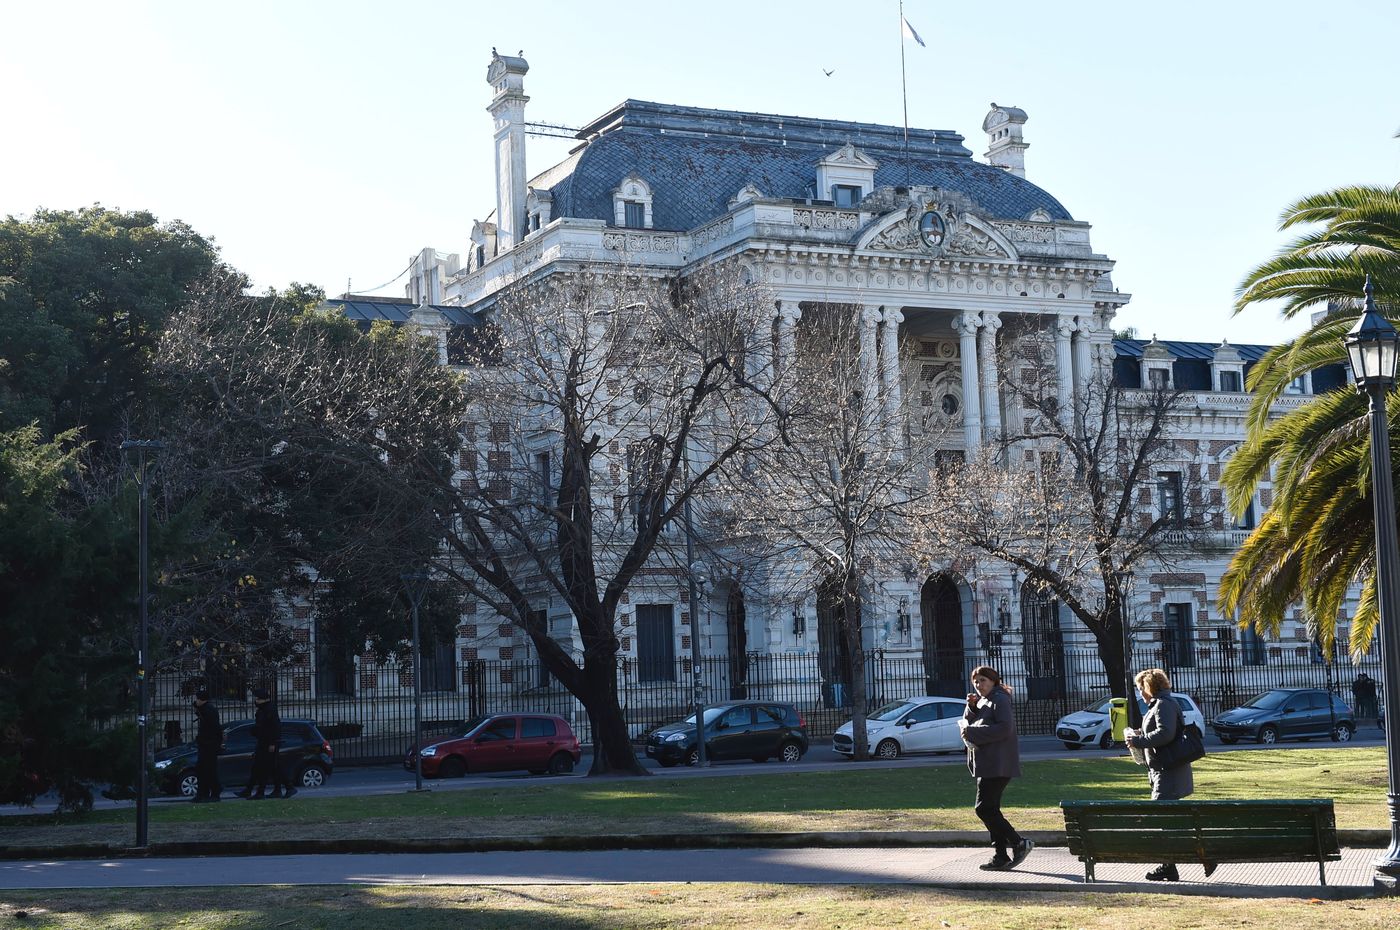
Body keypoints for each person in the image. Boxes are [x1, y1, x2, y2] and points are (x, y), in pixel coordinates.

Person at [1124, 668, 1213, 881]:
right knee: (1169, 821)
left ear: (1149, 687)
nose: (1140, 694)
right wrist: (1140, 734)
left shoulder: (1163, 705)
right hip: (1164, 770)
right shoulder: (1161, 704)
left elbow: (1166, 733)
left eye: (1140, 689)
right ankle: (1174, 864)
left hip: (1168, 771)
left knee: (1162, 819)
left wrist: (1138, 741)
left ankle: (1190, 859)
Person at [958, 664, 1034, 871]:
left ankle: (1019, 842)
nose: (978, 684)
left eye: (983, 680)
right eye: (975, 680)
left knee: (983, 808)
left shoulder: (999, 699)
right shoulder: (984, 700)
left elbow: (1004, 728)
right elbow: (973, 722)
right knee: (991, 810)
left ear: (993, 681)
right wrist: (971, 708)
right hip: (988, 762)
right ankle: (1000, 855)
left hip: (998, 763)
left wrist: (972, 733)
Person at [240, 687, 296, 800]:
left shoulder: (269, 710)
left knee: (265, 767)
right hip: (264, 741)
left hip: (268, 742)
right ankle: (279, 790)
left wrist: (272, 743)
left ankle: (263, 792)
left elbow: (274, 728)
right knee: (270, 767)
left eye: (258, 699)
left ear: (264, 700)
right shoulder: (264, 709)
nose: (256, 701)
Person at [192, 689, 223, 803]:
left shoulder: (209, 710)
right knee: (202, 769)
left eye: (197, 699)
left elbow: (214, 728)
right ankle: (203, 793)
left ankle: (214, 791)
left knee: (209, 770)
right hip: (206, 744)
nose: (196, 701)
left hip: (209, 744)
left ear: (201, 700)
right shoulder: (206, 709)